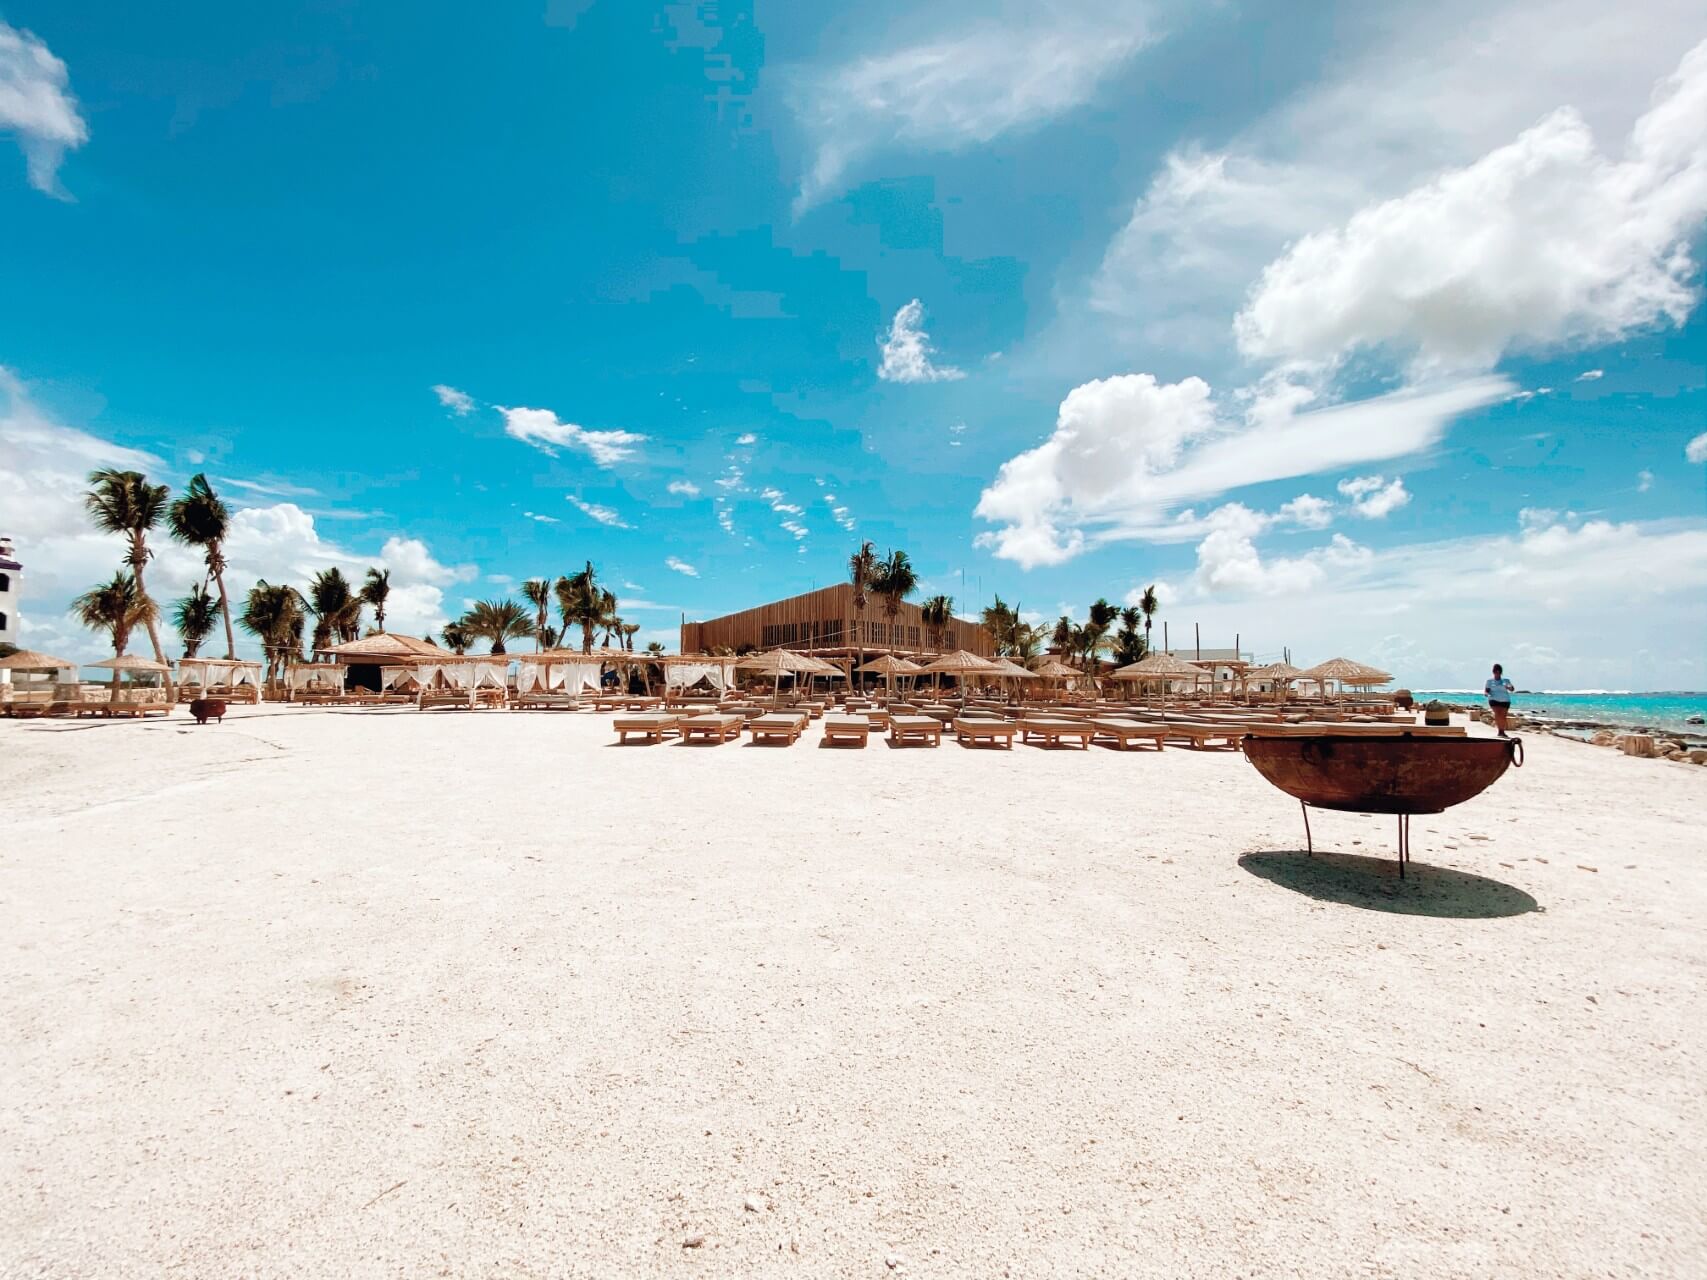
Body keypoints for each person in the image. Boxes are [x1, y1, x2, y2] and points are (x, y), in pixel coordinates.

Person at [1484, 662, 1515, 737]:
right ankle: (1499, 731)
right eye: (1496, 672)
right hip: (1494, 699)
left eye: (1499, 672)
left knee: (1503, 716)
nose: (1497, 673)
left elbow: (1512, 689)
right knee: (1498, 714)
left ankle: (1502, 731)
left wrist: (1509, 687)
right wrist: (1486, 693)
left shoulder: (1506, 680)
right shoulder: (1490, 681)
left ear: (1501, 672)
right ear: (1493, 672)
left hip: (1505, 700)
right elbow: (1487, 690)